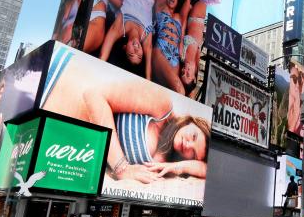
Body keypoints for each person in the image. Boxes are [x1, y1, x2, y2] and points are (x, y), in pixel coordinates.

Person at [41, 44, 210, 185]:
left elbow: (208, 169)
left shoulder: (164, 161)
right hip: (53, 82)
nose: (188, 145)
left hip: (52, 130)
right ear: (189, 122)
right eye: (194, 136)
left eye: (193, 154)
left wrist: (180, 167)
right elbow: (94, 95)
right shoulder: (163, 106)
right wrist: (122, 168)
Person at [100, 0, 165, 77]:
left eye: (131, 54)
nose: (136, 50)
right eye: (140, 55)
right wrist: (147, 80)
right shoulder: (146, 36)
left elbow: (103, 56)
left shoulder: (120, 27)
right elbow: (148, 75)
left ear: (125, 48)